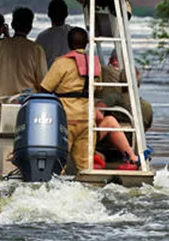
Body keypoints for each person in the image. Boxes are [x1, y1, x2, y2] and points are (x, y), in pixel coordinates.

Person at [39, 27, 139, 171]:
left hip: (66, 117)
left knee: (59, 162)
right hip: (87, 118)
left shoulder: (61, 63)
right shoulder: (94, 63)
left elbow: (45, 88)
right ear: (86, 43)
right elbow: (97, 88)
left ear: (68, 43)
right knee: (85, 166)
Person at [0, 6, 48, 101]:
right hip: (28, 102)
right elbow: (43, 82)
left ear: (13, 25)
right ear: (30, 27)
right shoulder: (36, 49)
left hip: (1, 102)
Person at [102, 50, 155, 131]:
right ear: (139, 84)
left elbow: (98, 110)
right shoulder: (146, 106)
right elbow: (147, 125)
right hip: (134, 136)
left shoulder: (113, 98)